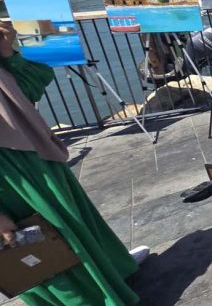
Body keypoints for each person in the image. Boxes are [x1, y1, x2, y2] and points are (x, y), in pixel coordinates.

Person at [0, 21, 149, 306]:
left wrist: (8, 52)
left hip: (33, 154)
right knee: (40, 243)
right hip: (8, 178)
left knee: (72, 222)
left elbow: (31, 88)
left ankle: (111, 274)